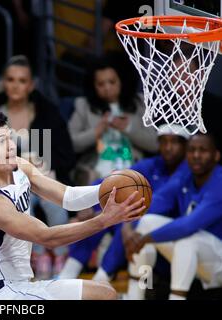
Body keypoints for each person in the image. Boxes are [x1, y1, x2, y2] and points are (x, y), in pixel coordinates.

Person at [0, 110, 146, 300]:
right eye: (1, 142)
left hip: (23, 285)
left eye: (10, 138)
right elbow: (47, 237)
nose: (11, 146)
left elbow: (68, 197)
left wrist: (108, 188)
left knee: (105, 293)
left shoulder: (19, 167)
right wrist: (103, 221)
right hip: (0, 293)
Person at [0, 55, 76, 279]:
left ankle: (61, 256)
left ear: (31, 85)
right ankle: (37, 256)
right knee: (23, 203)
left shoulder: (48, 112)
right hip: (5, 182)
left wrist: (42, 162)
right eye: (11, 79)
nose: (16, 85)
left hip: (43, 177)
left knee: (55, 205)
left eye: (22, 81)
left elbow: (67, 155)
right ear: (3, 82)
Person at [59, 124, 189, 281]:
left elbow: (160, 201)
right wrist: (86, 203)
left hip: (168, 235)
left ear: (185, 145)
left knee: (125, 216)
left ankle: (102, 278)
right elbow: (115, 180)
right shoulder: (152, 164)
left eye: (174, 142)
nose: (168, 147)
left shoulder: (188, 171)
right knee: (103, 217)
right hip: (136, 231)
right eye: (164, 142)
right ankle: (68, 273)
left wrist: (127, 221)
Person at [125, 133, 222, 300]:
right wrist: (127, 227)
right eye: (191, 150)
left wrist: (146, 239)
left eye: (203, 150)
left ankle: (176, 298)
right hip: (196, 257)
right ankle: (139, 291)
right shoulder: (186, 177)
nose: (196, 155)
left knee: (186, 241)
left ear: (216, 155)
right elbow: (154, 203)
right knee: (145, 223)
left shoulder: (219, 181)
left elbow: (188, 226)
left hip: (217, 263)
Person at [68, 55, 158, 185]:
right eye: (101, 84)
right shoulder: (83, 105)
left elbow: (154, 143)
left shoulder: (139, 103)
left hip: (133, 169)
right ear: (93, 86)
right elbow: (71, 143)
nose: (107, 88)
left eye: (112, 82)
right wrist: (96, 132)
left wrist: (128, 129)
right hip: (96, 172)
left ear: (122, 81)